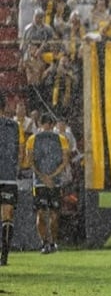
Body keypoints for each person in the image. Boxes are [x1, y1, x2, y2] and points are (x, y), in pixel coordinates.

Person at [25, 112, 70, 254]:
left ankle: (45, 243)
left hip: (40, 182)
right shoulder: (61, 139)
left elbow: (30, 162)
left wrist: (43, 176)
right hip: (53, 182)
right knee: (53, 214)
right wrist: (51, 176)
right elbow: (65, 161)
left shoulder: (32, 139)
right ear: (52, 125)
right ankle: (51, 242)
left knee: (42, 214)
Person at [0, 102, 24, 265]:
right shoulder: (15, 126)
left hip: (6, 174)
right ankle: (4, 256)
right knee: (7, 215)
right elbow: (21, 151)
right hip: (8, 177)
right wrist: (15, 169)